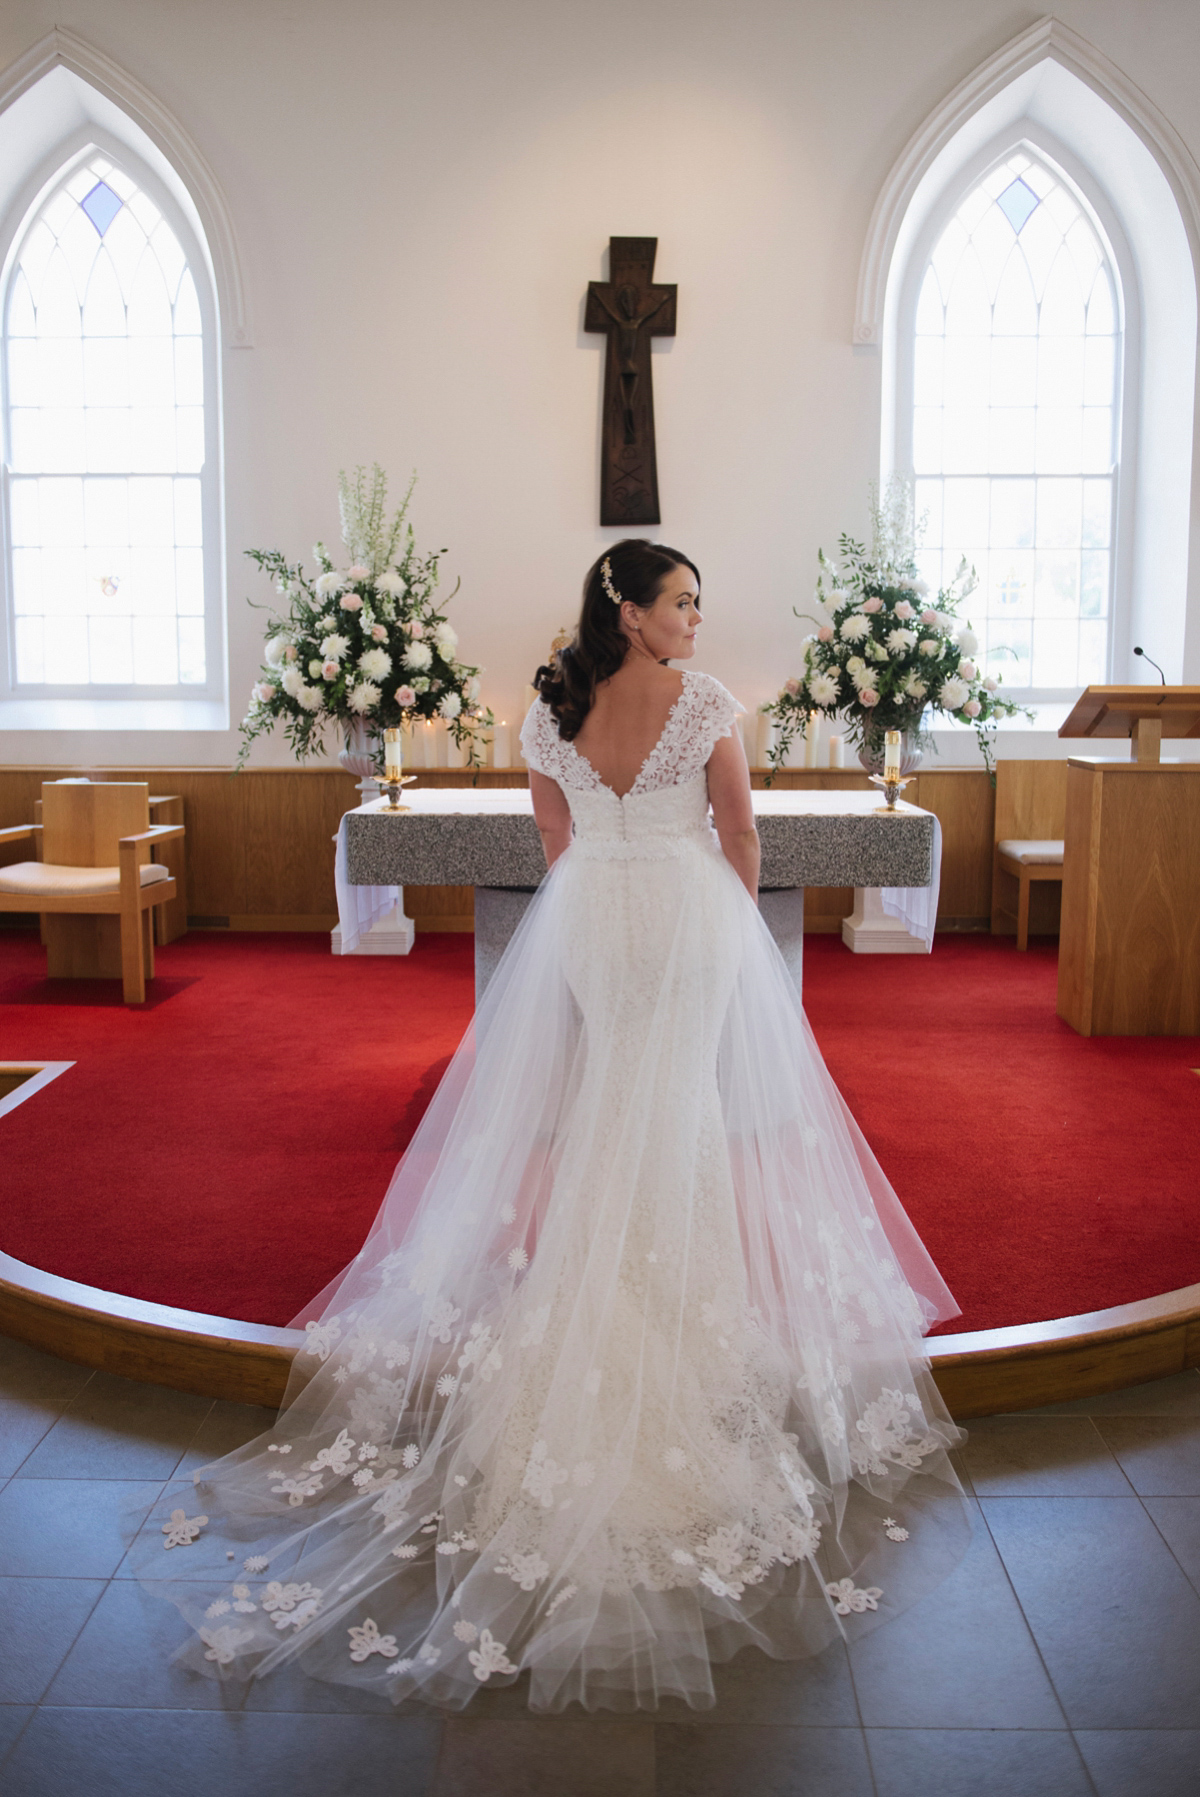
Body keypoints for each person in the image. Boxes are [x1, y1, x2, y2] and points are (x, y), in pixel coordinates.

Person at [135, 539, 971, 1714]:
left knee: (615, 1106)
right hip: (684, 919)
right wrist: (729, 927)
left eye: (693, 604)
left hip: (593, 921)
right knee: (673, 1108)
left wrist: (605, 897)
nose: (692, 617)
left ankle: (596, 1311)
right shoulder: (706, 703)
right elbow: (742, 833)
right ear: (627, 611)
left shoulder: (548, 708)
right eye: (679, 601)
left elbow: (551, 841)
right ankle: (677, 1324)